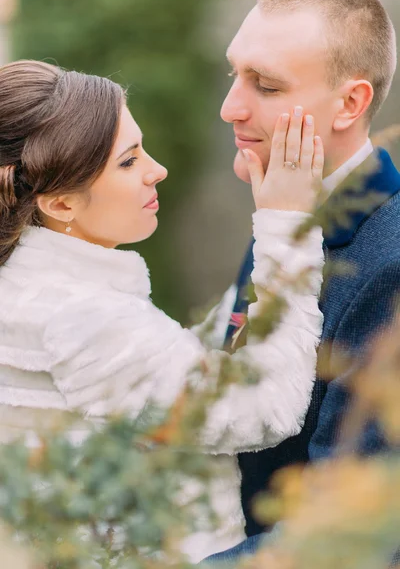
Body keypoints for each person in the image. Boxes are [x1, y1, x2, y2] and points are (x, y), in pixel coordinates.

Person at [0, 60, 324, 562]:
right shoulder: (85, 318)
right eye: (128, 162)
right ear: (60, 203)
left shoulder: (30, 286)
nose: (157, 170)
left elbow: (159, 373)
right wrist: (289, 230)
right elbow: (266, 409)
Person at [206, 0, 400, 563]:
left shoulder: (389, 269)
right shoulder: (284, 209)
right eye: (234, 74)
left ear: (350, 103)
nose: (229, 108)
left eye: (264, 85)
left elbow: (351, 536)